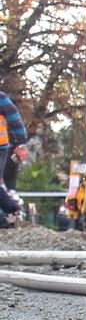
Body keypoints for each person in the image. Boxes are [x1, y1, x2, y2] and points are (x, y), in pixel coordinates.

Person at [0, 89, 27, 226]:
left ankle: (12, 212)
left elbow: (15, 120)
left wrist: (21, 144)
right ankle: (9, 214)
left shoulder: (1, 98)